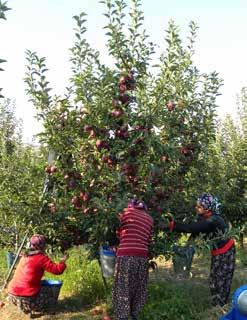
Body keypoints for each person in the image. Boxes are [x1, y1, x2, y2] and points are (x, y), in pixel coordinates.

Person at [163, 193, 235, 307]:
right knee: (215, 278)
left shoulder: (213, 219)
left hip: (225, 251)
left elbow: (193, 228)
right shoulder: (206, 217)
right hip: (219, 250)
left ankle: (220, 306)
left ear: (207, 208)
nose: (196, 208)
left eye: (199, 206)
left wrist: (173, 225)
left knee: (220, 278)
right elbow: (196, 231)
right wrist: (187, 245)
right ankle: (218, 304)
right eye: (196, 205)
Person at [112, 199, 154, 320]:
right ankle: (135, 314)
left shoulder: (124, 214)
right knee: (139, 286)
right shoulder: (150, 219)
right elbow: (149, 239)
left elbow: (119, 234)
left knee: (123, 286)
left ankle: (122, 316)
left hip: (125, 255)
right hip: (142, 257)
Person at [7, 234, 69, 315]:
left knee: (38, 285)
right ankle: (43, 308)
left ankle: (24, 307)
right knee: (50, 290)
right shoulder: (41, 258)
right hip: (27, 298)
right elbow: (57, 270)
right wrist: (62, 262)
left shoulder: (24, 256)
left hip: (12, 295)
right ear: (42, 246)